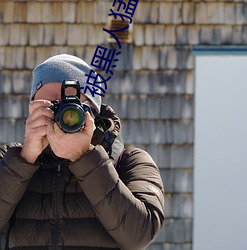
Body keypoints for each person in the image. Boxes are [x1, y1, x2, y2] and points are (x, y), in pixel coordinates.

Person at [0, 54, 164, 250]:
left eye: (69, 107)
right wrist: (24, 160)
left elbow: (139, 235)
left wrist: (85, 158)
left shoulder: (130, 162)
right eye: (48, 107)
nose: (59, 116)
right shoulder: (9, 160)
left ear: (93, 111)